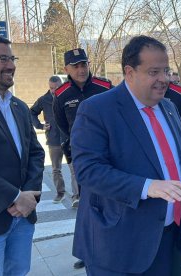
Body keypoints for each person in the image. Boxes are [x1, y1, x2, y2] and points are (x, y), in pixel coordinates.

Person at [70, 35, 181, 275]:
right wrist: (147, 186)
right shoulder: (97, 109)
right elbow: (88, 170)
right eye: (154, 72)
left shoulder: (169, 107)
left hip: (169, 236)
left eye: (166, 71)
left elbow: (180, 159)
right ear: (129, 71)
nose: (163, 79)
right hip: (119, 246)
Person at [0, 34, 45, 275]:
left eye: (12, 58)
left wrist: (27, 198)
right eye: (2, 58)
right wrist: (13, 197)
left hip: (22, 219)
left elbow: (35, 153)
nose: (10, 65)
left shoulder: (19, 107)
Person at [52, 48, 112, 269]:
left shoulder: (104, 87)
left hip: (109, 158)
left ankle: (112, 247)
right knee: (88, 208)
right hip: (83, 161)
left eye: (84, 64)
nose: (81, 69)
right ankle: (88, 252)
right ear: (66, 69)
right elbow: (62, 126)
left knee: (112, 203)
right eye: (76, 66)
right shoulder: (61, 95)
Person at [31, 76, 71, 203]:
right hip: (53, 139)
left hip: (69, 138)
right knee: (56, 169)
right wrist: (40, 126)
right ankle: (60, 193)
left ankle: (77, 196)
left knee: (74, 168)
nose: (54, 90)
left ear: (62, 85)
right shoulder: (44, 100)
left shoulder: (68, 96)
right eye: (51, 88)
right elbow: (31, 112)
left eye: (56, 87)